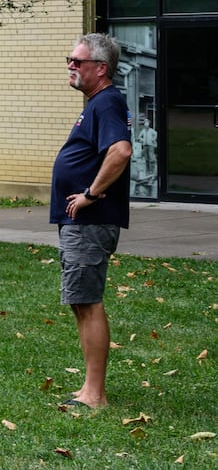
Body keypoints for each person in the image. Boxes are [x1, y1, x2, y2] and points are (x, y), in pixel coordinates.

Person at [50, 32, 132, 411]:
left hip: (91, 219)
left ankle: (94, 394)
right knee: (81, 301)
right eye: (69, 60)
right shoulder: (98, 103)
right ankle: (89, 388)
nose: (70, 66)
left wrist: (91, 194)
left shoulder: (107, 103)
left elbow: (120, 150)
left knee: (88, 301)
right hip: (82, 222)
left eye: (76, 61)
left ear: (100, 68)